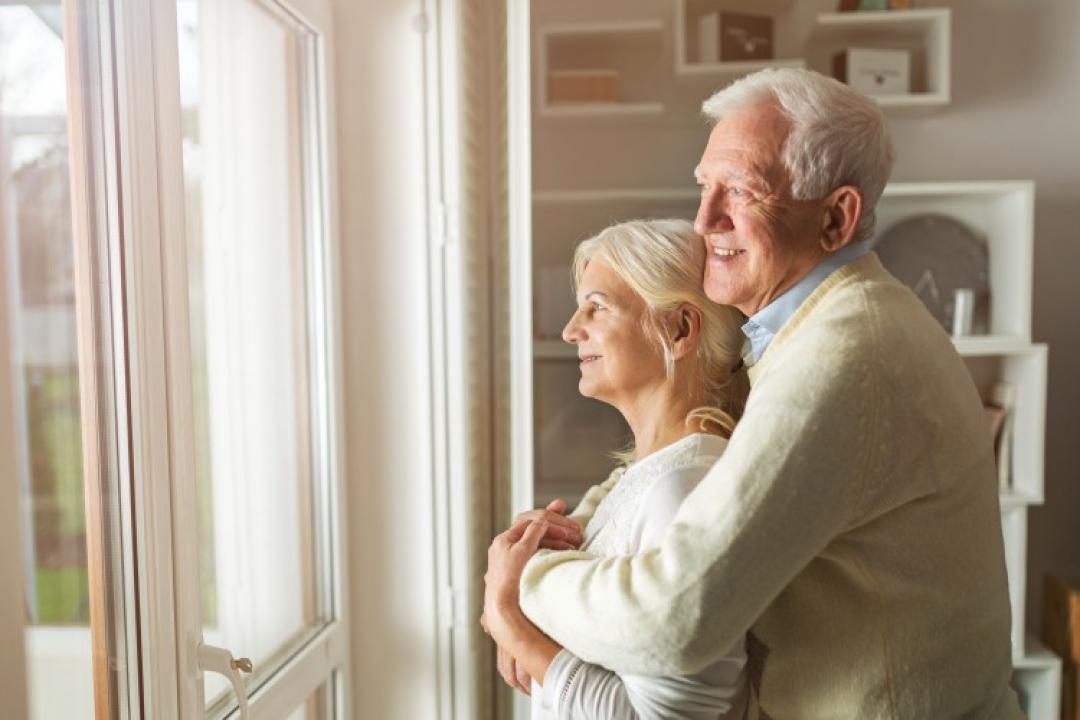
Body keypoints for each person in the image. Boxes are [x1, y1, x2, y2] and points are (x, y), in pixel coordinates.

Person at [489, 68, 1023, 718]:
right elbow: (689, 439)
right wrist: (573, 524)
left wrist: (520, 588)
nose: (704, 219)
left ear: (835, 217)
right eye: (704, 186)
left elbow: (674, 619)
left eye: (739, 190)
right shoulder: (816, 327)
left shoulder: (844, 352)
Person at [483, 218, 751, 718]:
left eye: (597, 306)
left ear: (679, 329)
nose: (569, 330)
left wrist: (509, 621)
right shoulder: (648, 474)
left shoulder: (687, 490)